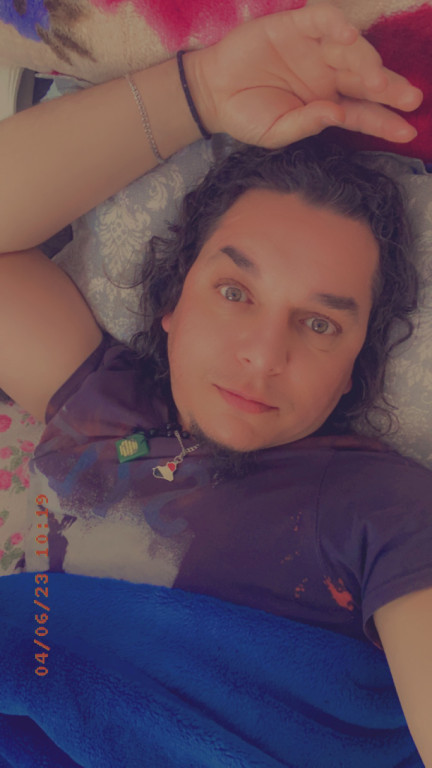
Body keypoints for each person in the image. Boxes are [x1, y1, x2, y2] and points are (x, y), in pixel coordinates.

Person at [0, 2, 431, 764]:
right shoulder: (100, 406)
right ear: (171, 302)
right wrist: (198, 92)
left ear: (353, 371)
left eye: (320, 324)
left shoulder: (389, 510)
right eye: (235, 292)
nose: (264, 355)